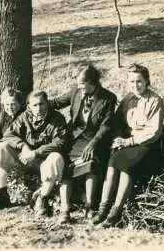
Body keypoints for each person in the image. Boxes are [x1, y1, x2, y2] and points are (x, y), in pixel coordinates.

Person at [92, 63, 164, 227]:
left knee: (126, 168)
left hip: (147, 145)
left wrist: (128, 141)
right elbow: (117, 122)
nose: (135, 85)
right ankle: (103, 209)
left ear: (147, 81)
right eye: (132, 82)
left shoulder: (155, 101)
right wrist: (119, 138)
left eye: (139, 81)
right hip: (128, 142)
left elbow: (154, 132)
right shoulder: (128, 99)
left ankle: (115, 212)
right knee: (112, 164)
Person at [50, 64, 117, 223]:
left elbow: (106, 125)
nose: (79, 86)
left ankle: (89, 207)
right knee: (66, 166)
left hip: (95, 139)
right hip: (74, 138)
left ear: (92, 82)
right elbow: (56, 102)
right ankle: (64, 210)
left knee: (91, 163)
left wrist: (93, 144)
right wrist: (35, 104)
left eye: (82, 83)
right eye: (78, 83)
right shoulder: (76, 92)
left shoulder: (108, 98)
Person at [0, 91, 68, 216]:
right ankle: (1, 195)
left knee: (56, 158)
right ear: (29, 106)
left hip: (45, 160)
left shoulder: (57, 118)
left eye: (41, 104)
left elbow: (60, 142)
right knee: (2, 147)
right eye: (35, 105)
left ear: (47, 103)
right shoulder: (24, 116)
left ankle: (42, 199)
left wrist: (35, 153)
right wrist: (23, 147)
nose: (38, 108)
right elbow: (9, 135)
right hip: (25, 158)